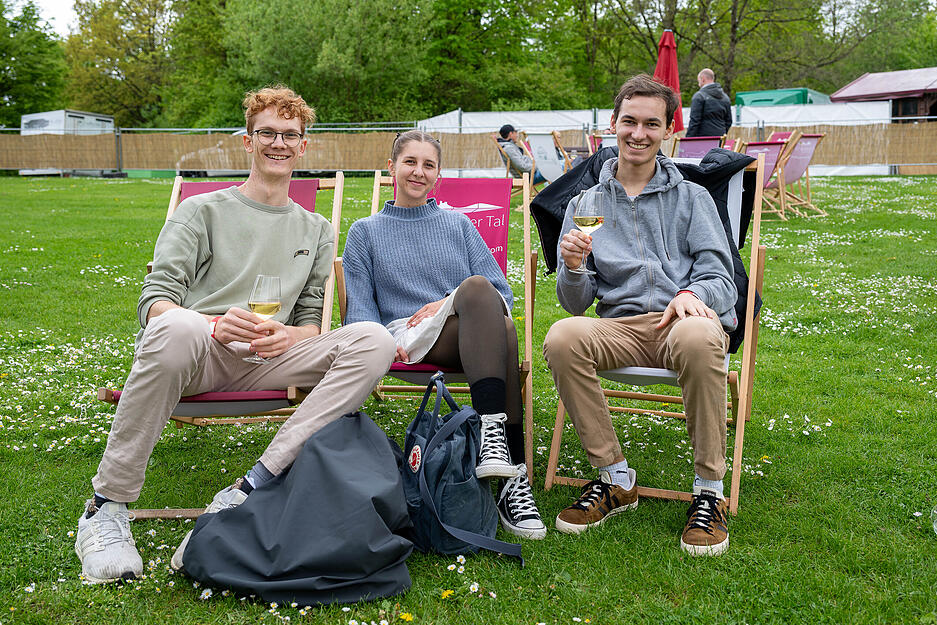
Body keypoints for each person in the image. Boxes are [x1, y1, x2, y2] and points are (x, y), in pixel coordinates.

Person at [74, 85, 397, 584]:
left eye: (290, 135)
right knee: (177, 323)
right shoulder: (201, 210)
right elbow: (154, 302)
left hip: (268, 358)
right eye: (267, 133)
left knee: (375, 339)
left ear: (303, 146)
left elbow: (311, 322)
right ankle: (105, 507)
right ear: (248, 142)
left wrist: (288, 337)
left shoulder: (315, 228)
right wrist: (212, 324)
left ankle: (251, 487)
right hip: (199, 351)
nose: (279, 143)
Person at [543, 74, 738, 556]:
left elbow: (722, 278)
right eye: (629, 121)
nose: (638, 133)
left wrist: (692, 293)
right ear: (613, 123)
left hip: (683, 324)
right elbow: (575, 302)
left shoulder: (692, 198)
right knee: (563, 335)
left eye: (652, 124)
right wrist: (572, 268)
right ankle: (615, 479)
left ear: (668, 130)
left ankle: (709, 491)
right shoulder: (585, 204)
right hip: (620, 328)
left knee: (698, 336)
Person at [342, 130, 546, 540]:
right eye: (410, 162)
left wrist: (446, 303)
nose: (418, 172)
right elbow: (360, 310)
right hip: (407, 336)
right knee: (497, 323)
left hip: (463, 332)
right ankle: (512, 472)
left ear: (438, 174)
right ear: (391, 167)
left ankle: (497, 449)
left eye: (428, 165)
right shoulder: (365, 231)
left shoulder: (458, 224)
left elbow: (500, 293)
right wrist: (382, 343)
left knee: (491, 308)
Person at [686, 68, 733, 137]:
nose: (699, 84)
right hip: (719, 138)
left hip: (702, 138)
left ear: (703, 79)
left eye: (699, 81)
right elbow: (729, 121)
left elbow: (694, 121)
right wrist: (722, 134)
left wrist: (688, 139)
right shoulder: (725, 98)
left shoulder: (699, 96)